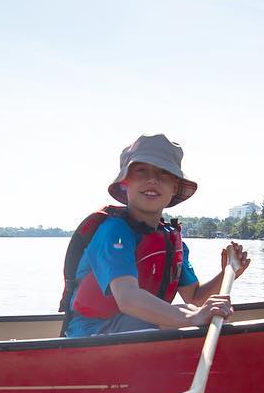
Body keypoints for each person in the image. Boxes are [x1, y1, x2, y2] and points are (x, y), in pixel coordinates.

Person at [60, 134, 250, 337]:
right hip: (92, 334)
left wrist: (227, 273)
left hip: (137, 328)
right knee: (192, 316)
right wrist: (191, 317)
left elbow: (194, 298)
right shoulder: (113, 232)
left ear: (174, 187)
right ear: (126, 181)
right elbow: (128, 298)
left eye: (164, 173)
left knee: (198, 313)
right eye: (141, 171)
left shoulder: (171, 239)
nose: (152, 180)